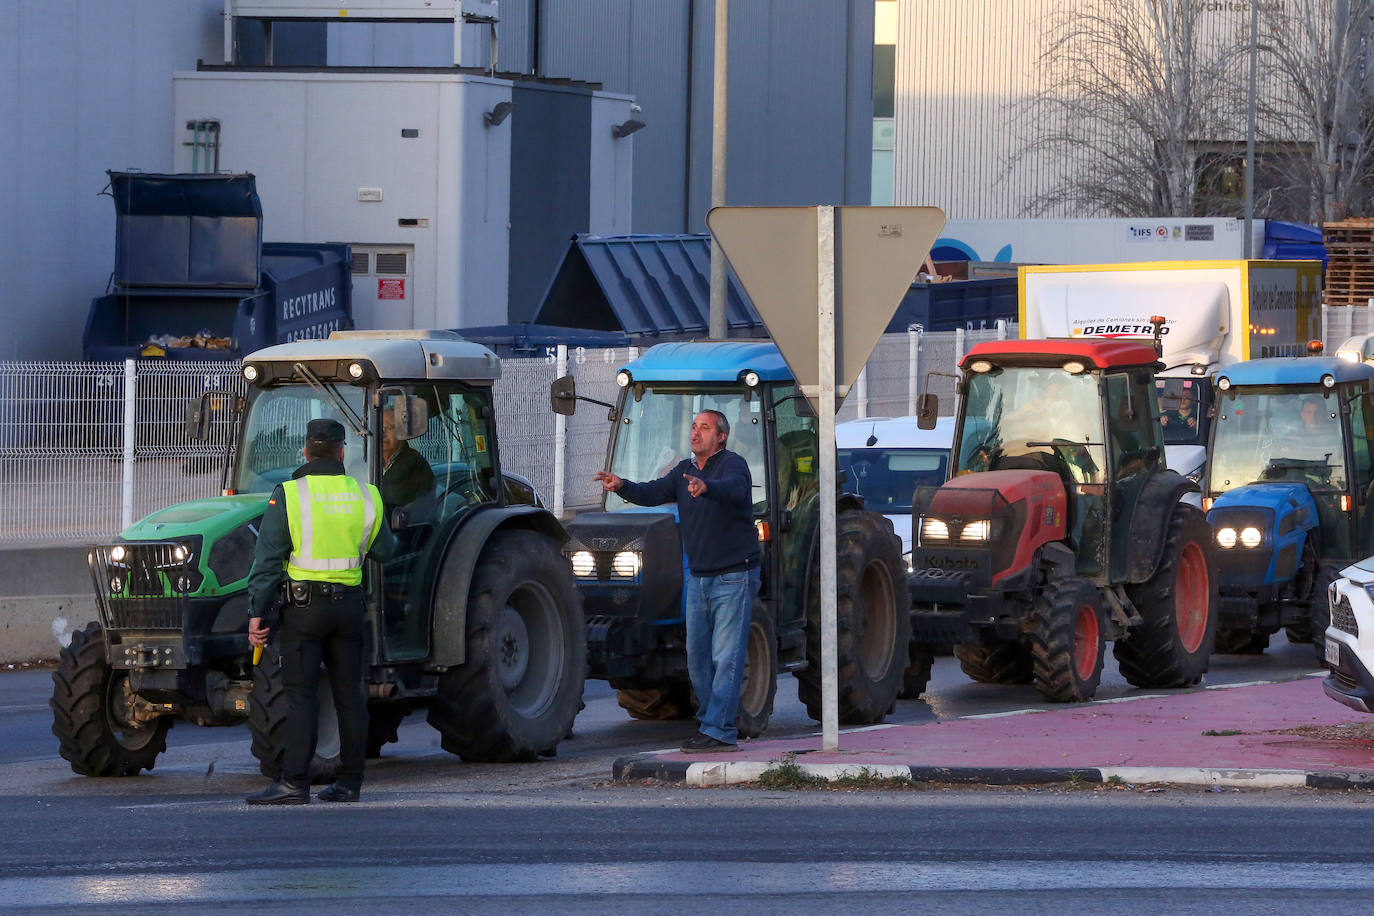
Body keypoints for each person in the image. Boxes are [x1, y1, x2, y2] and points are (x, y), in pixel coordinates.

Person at [244, 418, 395, 805]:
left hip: (304, 611)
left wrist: (257, 613)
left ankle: (295, 783)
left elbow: (268, 559)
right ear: (343, 452)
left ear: (306, 452)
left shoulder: (291, 494)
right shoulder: (367, 496)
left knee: (301, 697)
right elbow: (386, 551)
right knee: (350, 697)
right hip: (349, 609)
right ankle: (350, 784)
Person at [593, 410, 761, 753]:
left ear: (721, 437)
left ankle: (720, 731)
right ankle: (709, 722)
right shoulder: (684, 470)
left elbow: (734, 490)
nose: (696, 433)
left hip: (734, 576)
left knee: (725, 658)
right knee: (697, 658)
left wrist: (706, 487)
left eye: (705, 428)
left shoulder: (733, 465)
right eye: (694, 427)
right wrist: (622, 485)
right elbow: (653, 492)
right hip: (698, 579)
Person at [379, 400, 434, 513]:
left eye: (389, 428)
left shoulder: (417, 464)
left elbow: (426, 505)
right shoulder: (363, 462)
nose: (382, 434)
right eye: (379, 427)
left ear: (402, 430)